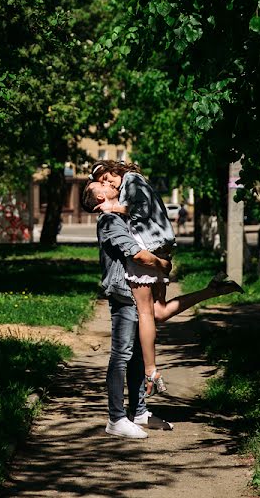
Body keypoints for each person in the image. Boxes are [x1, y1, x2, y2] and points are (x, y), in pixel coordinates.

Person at [96, 207, 244, 438]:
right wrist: (162, 265)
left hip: (140, 280)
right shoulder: (110, 218)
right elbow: (136, 253)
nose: (111, 185)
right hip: (127, 290)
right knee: (123, 354)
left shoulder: (132, 210)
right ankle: (116, 418)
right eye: (104, 182)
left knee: (141, 341)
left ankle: (138, 411)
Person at [84, 161, 176, 398]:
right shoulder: (123, 193)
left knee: (147, 315)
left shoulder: (131, 181)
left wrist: (113, 207)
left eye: (107, 178)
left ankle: (150, 373)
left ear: (115, 169)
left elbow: (140, 213)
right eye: (103, 183)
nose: (108, 182)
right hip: (155, 248)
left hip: (152, 246)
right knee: (155, 313)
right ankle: (144, 388)